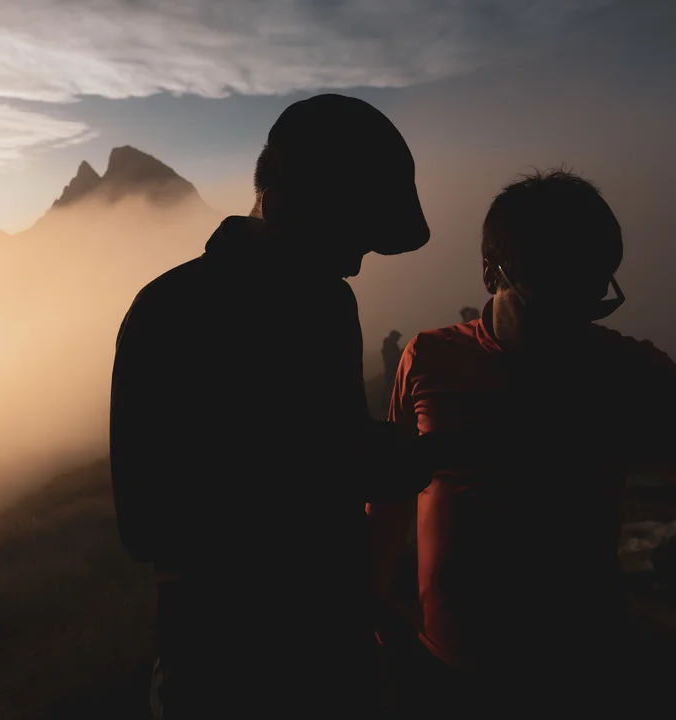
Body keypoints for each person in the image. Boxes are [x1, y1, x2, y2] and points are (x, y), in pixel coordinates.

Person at [110, 93, 444, 719]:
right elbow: (152, 521)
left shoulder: (182, 303)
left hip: (285, 652)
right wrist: (382, 461)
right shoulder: (194, 311)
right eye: (350, 233)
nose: (357, 262)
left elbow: (326, 446)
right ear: (287, 201)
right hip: (237, 664)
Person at [368, 169, 676, 717]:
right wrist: (373, 605)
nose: (571, 322)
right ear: (491, 272)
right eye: (549, 301)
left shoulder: (633, 370)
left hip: (584, 670)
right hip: (446, 668)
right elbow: (391, 493)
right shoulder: (428, 357)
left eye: (591, 297)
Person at [381, 330, 404, 414]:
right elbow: (392, 358)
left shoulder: (389, 345)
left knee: (390, 386)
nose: (398, 339)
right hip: (391, 369)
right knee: (390, 386)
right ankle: (386, 403)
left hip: (391, 369)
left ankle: (387, 402)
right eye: (398, 337)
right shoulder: (390, 346)